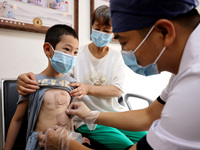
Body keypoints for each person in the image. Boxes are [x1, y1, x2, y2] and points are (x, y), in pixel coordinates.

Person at [37, 0, 200, 150]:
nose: (124, 52)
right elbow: (149, 115)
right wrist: (90, 115)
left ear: (165, 32)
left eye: (123, 42)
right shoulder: (186, 67)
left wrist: (67, 145)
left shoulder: (194, 83)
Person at [16, 5, 147, 150]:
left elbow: (117, 90)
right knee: (127, 145)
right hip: (86, 119)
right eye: (97, 28)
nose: (101, 33)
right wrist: (25, 78)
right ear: (91, 26)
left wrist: (87, 89)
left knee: (148, 137)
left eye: (107, 31)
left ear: (113, 33)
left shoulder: (116, 57)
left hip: (114, 114)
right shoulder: (76, 54)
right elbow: (57, 79)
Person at [4, 24, 82, 150]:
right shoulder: (32, 82)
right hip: (40, 143)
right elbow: (17, 119)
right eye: (67, 49)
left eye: (75, 52)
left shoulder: (72, 84)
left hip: (65, 143)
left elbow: (70, 116)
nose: (72, 56)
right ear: (48, 49)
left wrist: (75, 138)